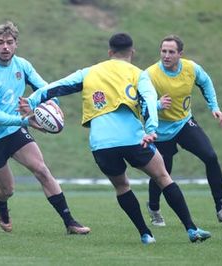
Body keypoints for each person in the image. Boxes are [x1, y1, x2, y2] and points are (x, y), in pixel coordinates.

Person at [19, 32, 211, 244]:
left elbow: (56, 87)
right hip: (133, 139)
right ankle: (192, 229)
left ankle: (145, 234)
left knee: (122, 187)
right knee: (163, 177)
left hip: (101, 144)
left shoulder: (89, 72)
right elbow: (149, 100)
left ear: (110, 52)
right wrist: (151, 129)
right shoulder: (138, 74)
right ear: (132, 52)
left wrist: (33, 100)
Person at [0, 21, 90, 235]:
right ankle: (0, 202)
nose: (5, 47)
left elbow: (46, 89)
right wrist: (26, 120)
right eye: (0, 43)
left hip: (14, 132)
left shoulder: (22, 65)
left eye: (9, 42)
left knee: (42, 170)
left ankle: (70, 222)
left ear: (16, 44)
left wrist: (44, 105)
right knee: (8, 189)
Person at [145, 35, 222, 227]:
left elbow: (206, 82)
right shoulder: (150, 74)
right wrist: (158, 105)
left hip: (184, 123)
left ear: (180, 54)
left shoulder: (191, 68)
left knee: (210, 156)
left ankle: (221, 208)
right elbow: (139, 103)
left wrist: (215, 107)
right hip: (160, 131)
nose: (166, 55)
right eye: (163, 51)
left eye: (171, 52)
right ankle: (154, 208)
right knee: (162, 172)